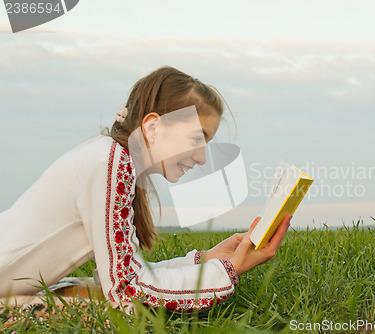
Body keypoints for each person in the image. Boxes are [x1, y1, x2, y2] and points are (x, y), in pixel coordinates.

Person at [0, 66, 292, 312]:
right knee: (105, 312)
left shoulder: (112, 158)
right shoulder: (108, 163)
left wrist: (205, 261)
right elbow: (128, 292)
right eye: (196, 138)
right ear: (152, 127)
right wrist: (228, 271)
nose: (202, 157)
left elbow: (127, 277)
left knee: (92, 294)